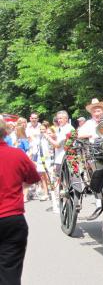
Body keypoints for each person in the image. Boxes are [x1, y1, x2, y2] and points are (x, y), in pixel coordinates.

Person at [0, 118, 41, 285]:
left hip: (11, 217)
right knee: (9, 274)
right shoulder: (17, 155)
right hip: (12, 218)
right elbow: (33, 178)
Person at [78, 98, 103, 219]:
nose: (98, 113)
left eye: (99, 110)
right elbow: (79, 134)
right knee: (96, 168)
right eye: (96, 111)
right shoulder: (88, 124)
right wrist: (90, 134)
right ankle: (98, 198)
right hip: (94, 152)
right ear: (92, 113)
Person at [44, 110, 74, 213]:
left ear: (66, 118)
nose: (59, 120)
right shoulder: (61, 128)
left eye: (61, 118)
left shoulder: (68, 128)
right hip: (59, 158)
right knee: (59, 182)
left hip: (63, 159)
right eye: (58, 118)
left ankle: (64, 204)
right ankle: (62, 203)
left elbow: (57, 144)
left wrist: (48, 137)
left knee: (61, 183)